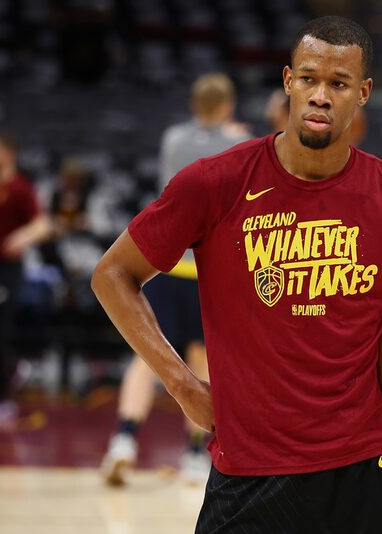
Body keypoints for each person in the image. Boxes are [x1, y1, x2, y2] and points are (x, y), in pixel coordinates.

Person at [91, 16, 382, 534]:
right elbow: (113, 275)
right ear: (287, 82)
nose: (320, 96)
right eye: (308, 79)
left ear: (364, 93)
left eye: (339, 84)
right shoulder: (215, 183)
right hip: (248, 476)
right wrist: (183, 386)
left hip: (361, 475)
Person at [100, 73, 251, 486]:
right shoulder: (237, 145)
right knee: (203, 360)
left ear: (194, 104)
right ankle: (193, 456)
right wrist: (232, 135)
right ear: (226, 106)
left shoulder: (172, 140)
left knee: (147, 355)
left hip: (166, 267)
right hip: (207, 272)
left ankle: (123, 441)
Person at [0, 132, 52, 422]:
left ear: (9, 154)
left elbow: (43, 224)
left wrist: (24, 236)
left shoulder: (20, 189)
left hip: (4, 270)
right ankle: (10, 370)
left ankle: (2, 395)